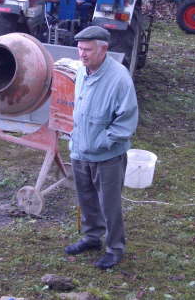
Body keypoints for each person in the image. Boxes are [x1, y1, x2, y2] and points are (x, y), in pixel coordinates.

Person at [65, 26, 139, 270]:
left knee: (109, 204)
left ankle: (114, 248)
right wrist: (77, 139)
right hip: (80, 150)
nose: (82, 54)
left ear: (104, 49)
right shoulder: (82, 72)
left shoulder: (119, 79)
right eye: (80, 48)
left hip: (107, 156)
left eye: (87, 49)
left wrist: (102, 142)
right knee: (86, 198)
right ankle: (91, 237)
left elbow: (126, 121)